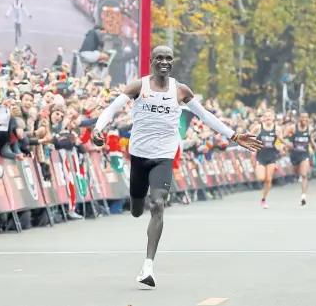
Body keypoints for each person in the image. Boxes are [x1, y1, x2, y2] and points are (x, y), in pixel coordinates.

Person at [91, 46, 262, 288]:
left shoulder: (180, 90)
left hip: (164, 156)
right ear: (151, 61)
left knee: (158, 204)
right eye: (159, 58)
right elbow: (111, 109)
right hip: (139, 155)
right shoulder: (138, 86)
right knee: (137, 209)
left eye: (168, 58)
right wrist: (99, 129)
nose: (164, 62)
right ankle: (136, 203)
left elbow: (206, 117)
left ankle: (147, 266)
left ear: (172, 63)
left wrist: (234, 136)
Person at [249, 109, 291, 209]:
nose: (268, 118)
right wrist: (252, 147)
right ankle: (256, 167)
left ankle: (263, 199)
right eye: (266, 116)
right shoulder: (258, 127)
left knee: (268, 179)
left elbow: (279, 141)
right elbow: (249, 136)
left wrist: (280, 146)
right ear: (263, 118)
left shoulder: (277, 129)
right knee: (261, 178)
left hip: (272, 155)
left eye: (269, 116)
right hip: (260, 155)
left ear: (273, 118)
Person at [285, 112, 316, 205]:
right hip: (294, 154)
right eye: (302, 117)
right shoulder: (293, 128)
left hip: (304, 154)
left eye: (306, 117)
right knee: (297, 173)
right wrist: (286, 144)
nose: (304, 119)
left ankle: (303, 196)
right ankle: (298, 176)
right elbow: (283, 136)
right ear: (299, 118)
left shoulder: (309, 129)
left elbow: (310, 140)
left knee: (304, 174)